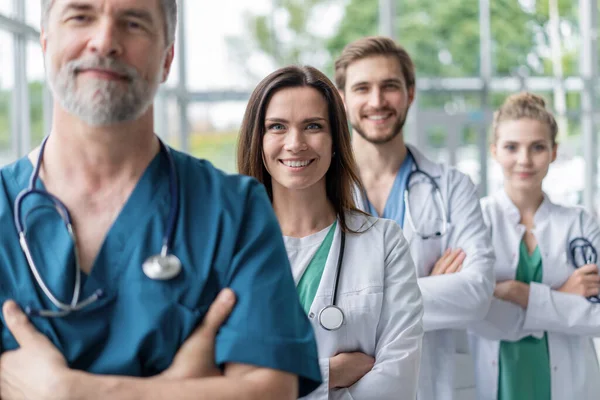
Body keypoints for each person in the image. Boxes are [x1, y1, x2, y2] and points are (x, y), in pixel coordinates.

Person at [0, 0, 322, 398]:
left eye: (133, 23)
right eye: (81, 16)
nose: (105, 41)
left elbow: (270, 390)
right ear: (45, 42)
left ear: (168, 58)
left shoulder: (234, 212)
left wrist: (67, 392)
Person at [237, 65, 424, 399]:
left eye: (313, 126)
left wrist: (278, 385)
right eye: (277, 127)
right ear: (258, 139)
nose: (295, 143)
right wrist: (329, 374)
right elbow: (219, 382)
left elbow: (397, 383)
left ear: (336, 139)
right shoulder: (229, 248)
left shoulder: (383, 242)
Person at [333, 36, 496, 399]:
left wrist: (352, 302)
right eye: (362, 88)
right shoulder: (322, 192)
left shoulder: (453, 187)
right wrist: (422, 288)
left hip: (431, 385)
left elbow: (477, 294)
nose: (377, 101)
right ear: (342, 98)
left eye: (389, 86)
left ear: (410, 93)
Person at [468, 92, 600, 400]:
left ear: (554, 152)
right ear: (495, 151)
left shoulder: (581, 223)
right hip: (500, 380)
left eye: (537, 147)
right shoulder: (475, 220)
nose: (524, 160)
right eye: (512, 147)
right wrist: (561, 297)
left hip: (573, 385)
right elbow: (476, 314)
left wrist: (516, 293)